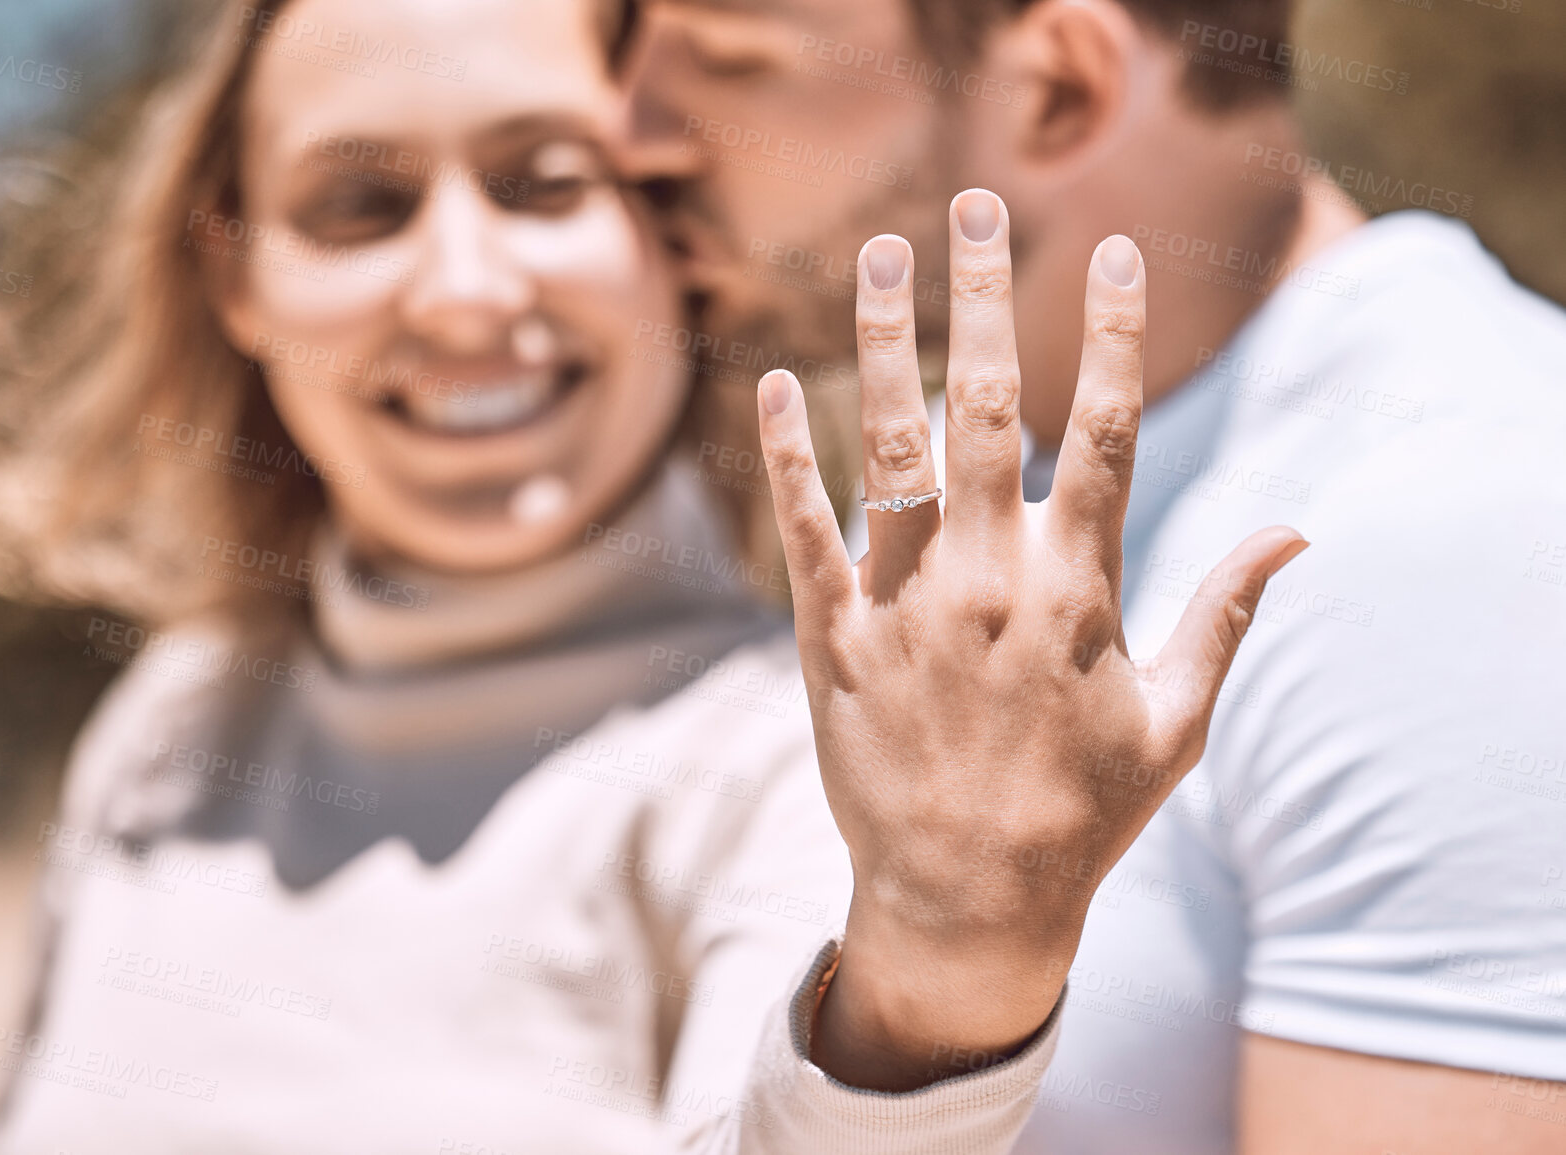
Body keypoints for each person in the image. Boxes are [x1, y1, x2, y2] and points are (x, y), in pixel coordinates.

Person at [0, 0, 1312, 1149]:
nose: (466, 289)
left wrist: (939, 974)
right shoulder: (178, 718)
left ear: (678, 243)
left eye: (545, 182)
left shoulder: (795, 750)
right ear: (237, 276)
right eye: (359, 205)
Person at [625, 0, 1566, 1151]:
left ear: (1058, 87)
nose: (633, 133)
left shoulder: (1466, 538)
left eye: (728, 61)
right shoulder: (967, 478)